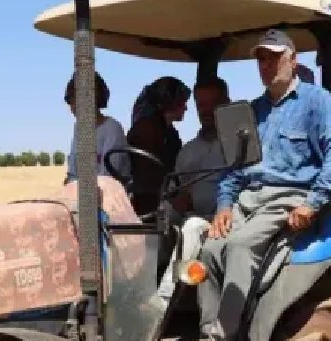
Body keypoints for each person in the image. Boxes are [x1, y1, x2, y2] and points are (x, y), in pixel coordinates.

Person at [183, 29, 331, 341]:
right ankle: (211, 335)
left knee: (242, 246)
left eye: (274, 57)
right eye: (261, 58)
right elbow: (234, 168)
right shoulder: (251, 112)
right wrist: (224, 205)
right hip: (248, 198)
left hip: (288, 197)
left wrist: (312, 202)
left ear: (292, 59)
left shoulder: (316, 101)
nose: (267, 64)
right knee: (210, 248)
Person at [156, 76, 230, 302]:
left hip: (225, 218)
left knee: (191, 227)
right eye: (201, 105)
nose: (206, 111)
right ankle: (141, 281)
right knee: (160, 216)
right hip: (194, 213)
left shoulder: (236, 146)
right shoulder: (188, 151)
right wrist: (175, 203)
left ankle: (162, 301)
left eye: (212, 104)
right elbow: (180, 192)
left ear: (226, 103)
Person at [126, 76, 191, 215]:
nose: (186, 107)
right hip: (150, 203)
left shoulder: (169, 133)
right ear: (169, 103)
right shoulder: (147, 130)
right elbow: (149, 176)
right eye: (181, 103)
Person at [63, 71, 128, 185]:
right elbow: (73, 173)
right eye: (71, 101)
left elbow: (107, 179)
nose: (73, 107)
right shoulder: (78, 129)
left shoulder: (112, 128)